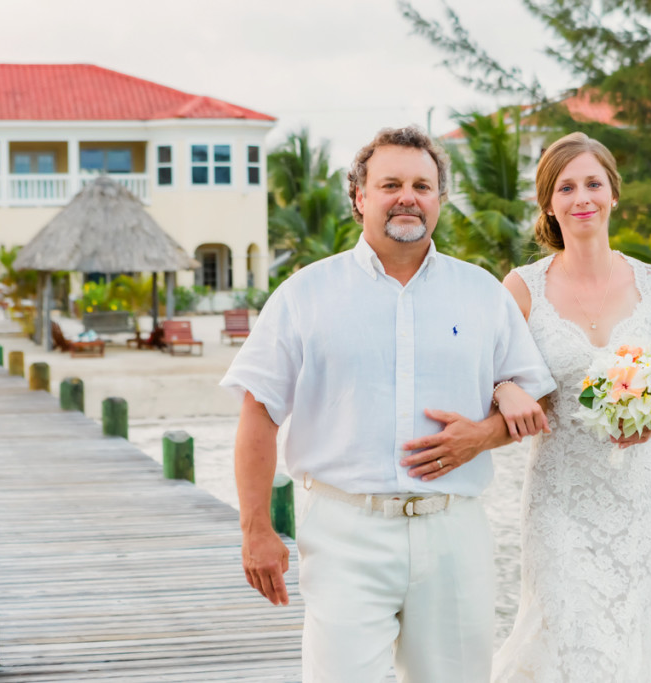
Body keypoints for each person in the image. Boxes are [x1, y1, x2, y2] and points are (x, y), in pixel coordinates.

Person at [220, 126, 555, 683]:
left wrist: (483, 434)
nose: (408, 196)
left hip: (454, 534)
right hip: (344, 530)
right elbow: (259, 412)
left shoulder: (483, 294)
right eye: (390, 183)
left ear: (440, 199)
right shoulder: (305, 295)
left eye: (422, 185)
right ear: (360, 196)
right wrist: (256, 530)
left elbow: (532, 396)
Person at [491, 132, 651, 682]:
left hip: (637, 498)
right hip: (558, 498)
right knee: (568, 633)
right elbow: (489, 374)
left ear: (613, 193)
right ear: (549, 203)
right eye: (566, 187)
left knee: (625, 637)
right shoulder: (521, 288)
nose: (582, 198)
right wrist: (506, 389)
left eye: (593, 184)